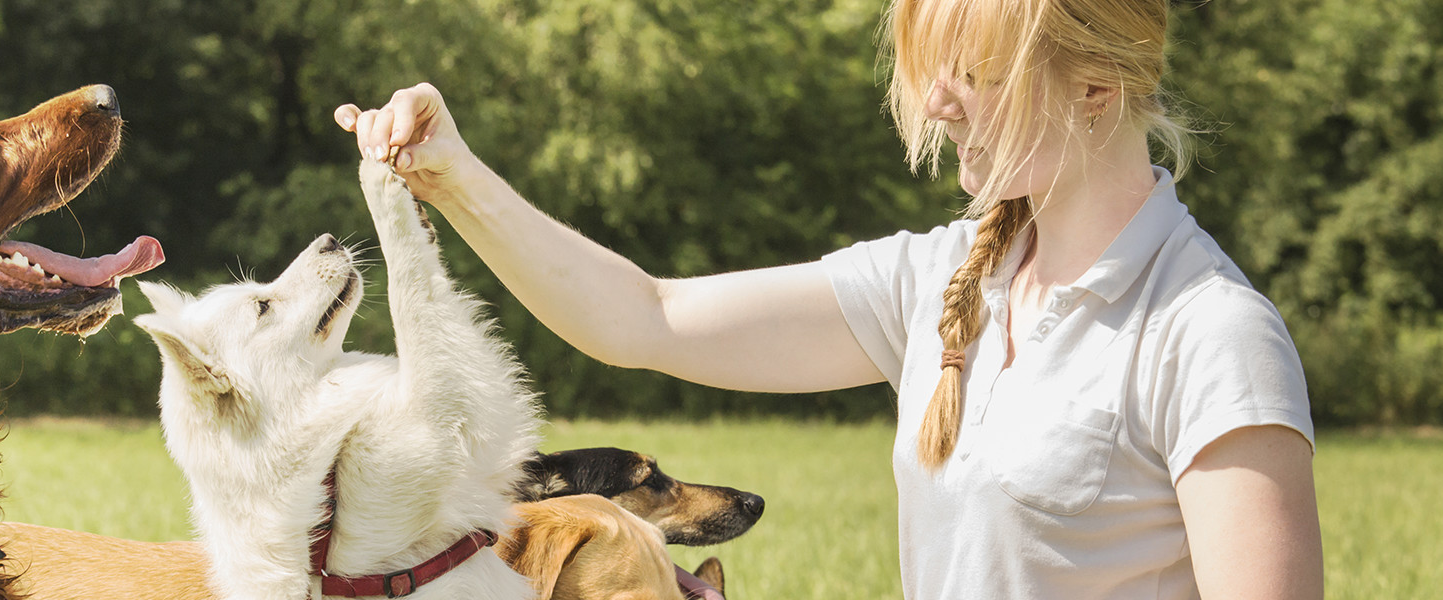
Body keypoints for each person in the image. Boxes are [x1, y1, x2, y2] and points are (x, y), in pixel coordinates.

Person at [334, 0, 1322, 597]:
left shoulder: (1208, 336)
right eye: (933, 72)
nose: (935, 102)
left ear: (1095, 88)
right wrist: (454, 175)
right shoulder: (935, 280)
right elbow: (644, 318)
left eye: (972, 74)